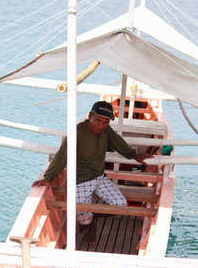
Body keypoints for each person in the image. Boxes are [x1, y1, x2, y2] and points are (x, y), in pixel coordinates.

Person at [32, 101, 152, 244]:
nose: (100, 125)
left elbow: (118, 143)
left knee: (120, 204)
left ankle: (93, 219)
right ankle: (89, 224)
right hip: (80, 180)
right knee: (83, 215)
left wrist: (134, 155)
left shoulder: (106, 131)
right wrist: (49, 177)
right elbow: (62, 155)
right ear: (90, 116)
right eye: (98, 121)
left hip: (99, 177)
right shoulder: (77, 132)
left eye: (105, 122)